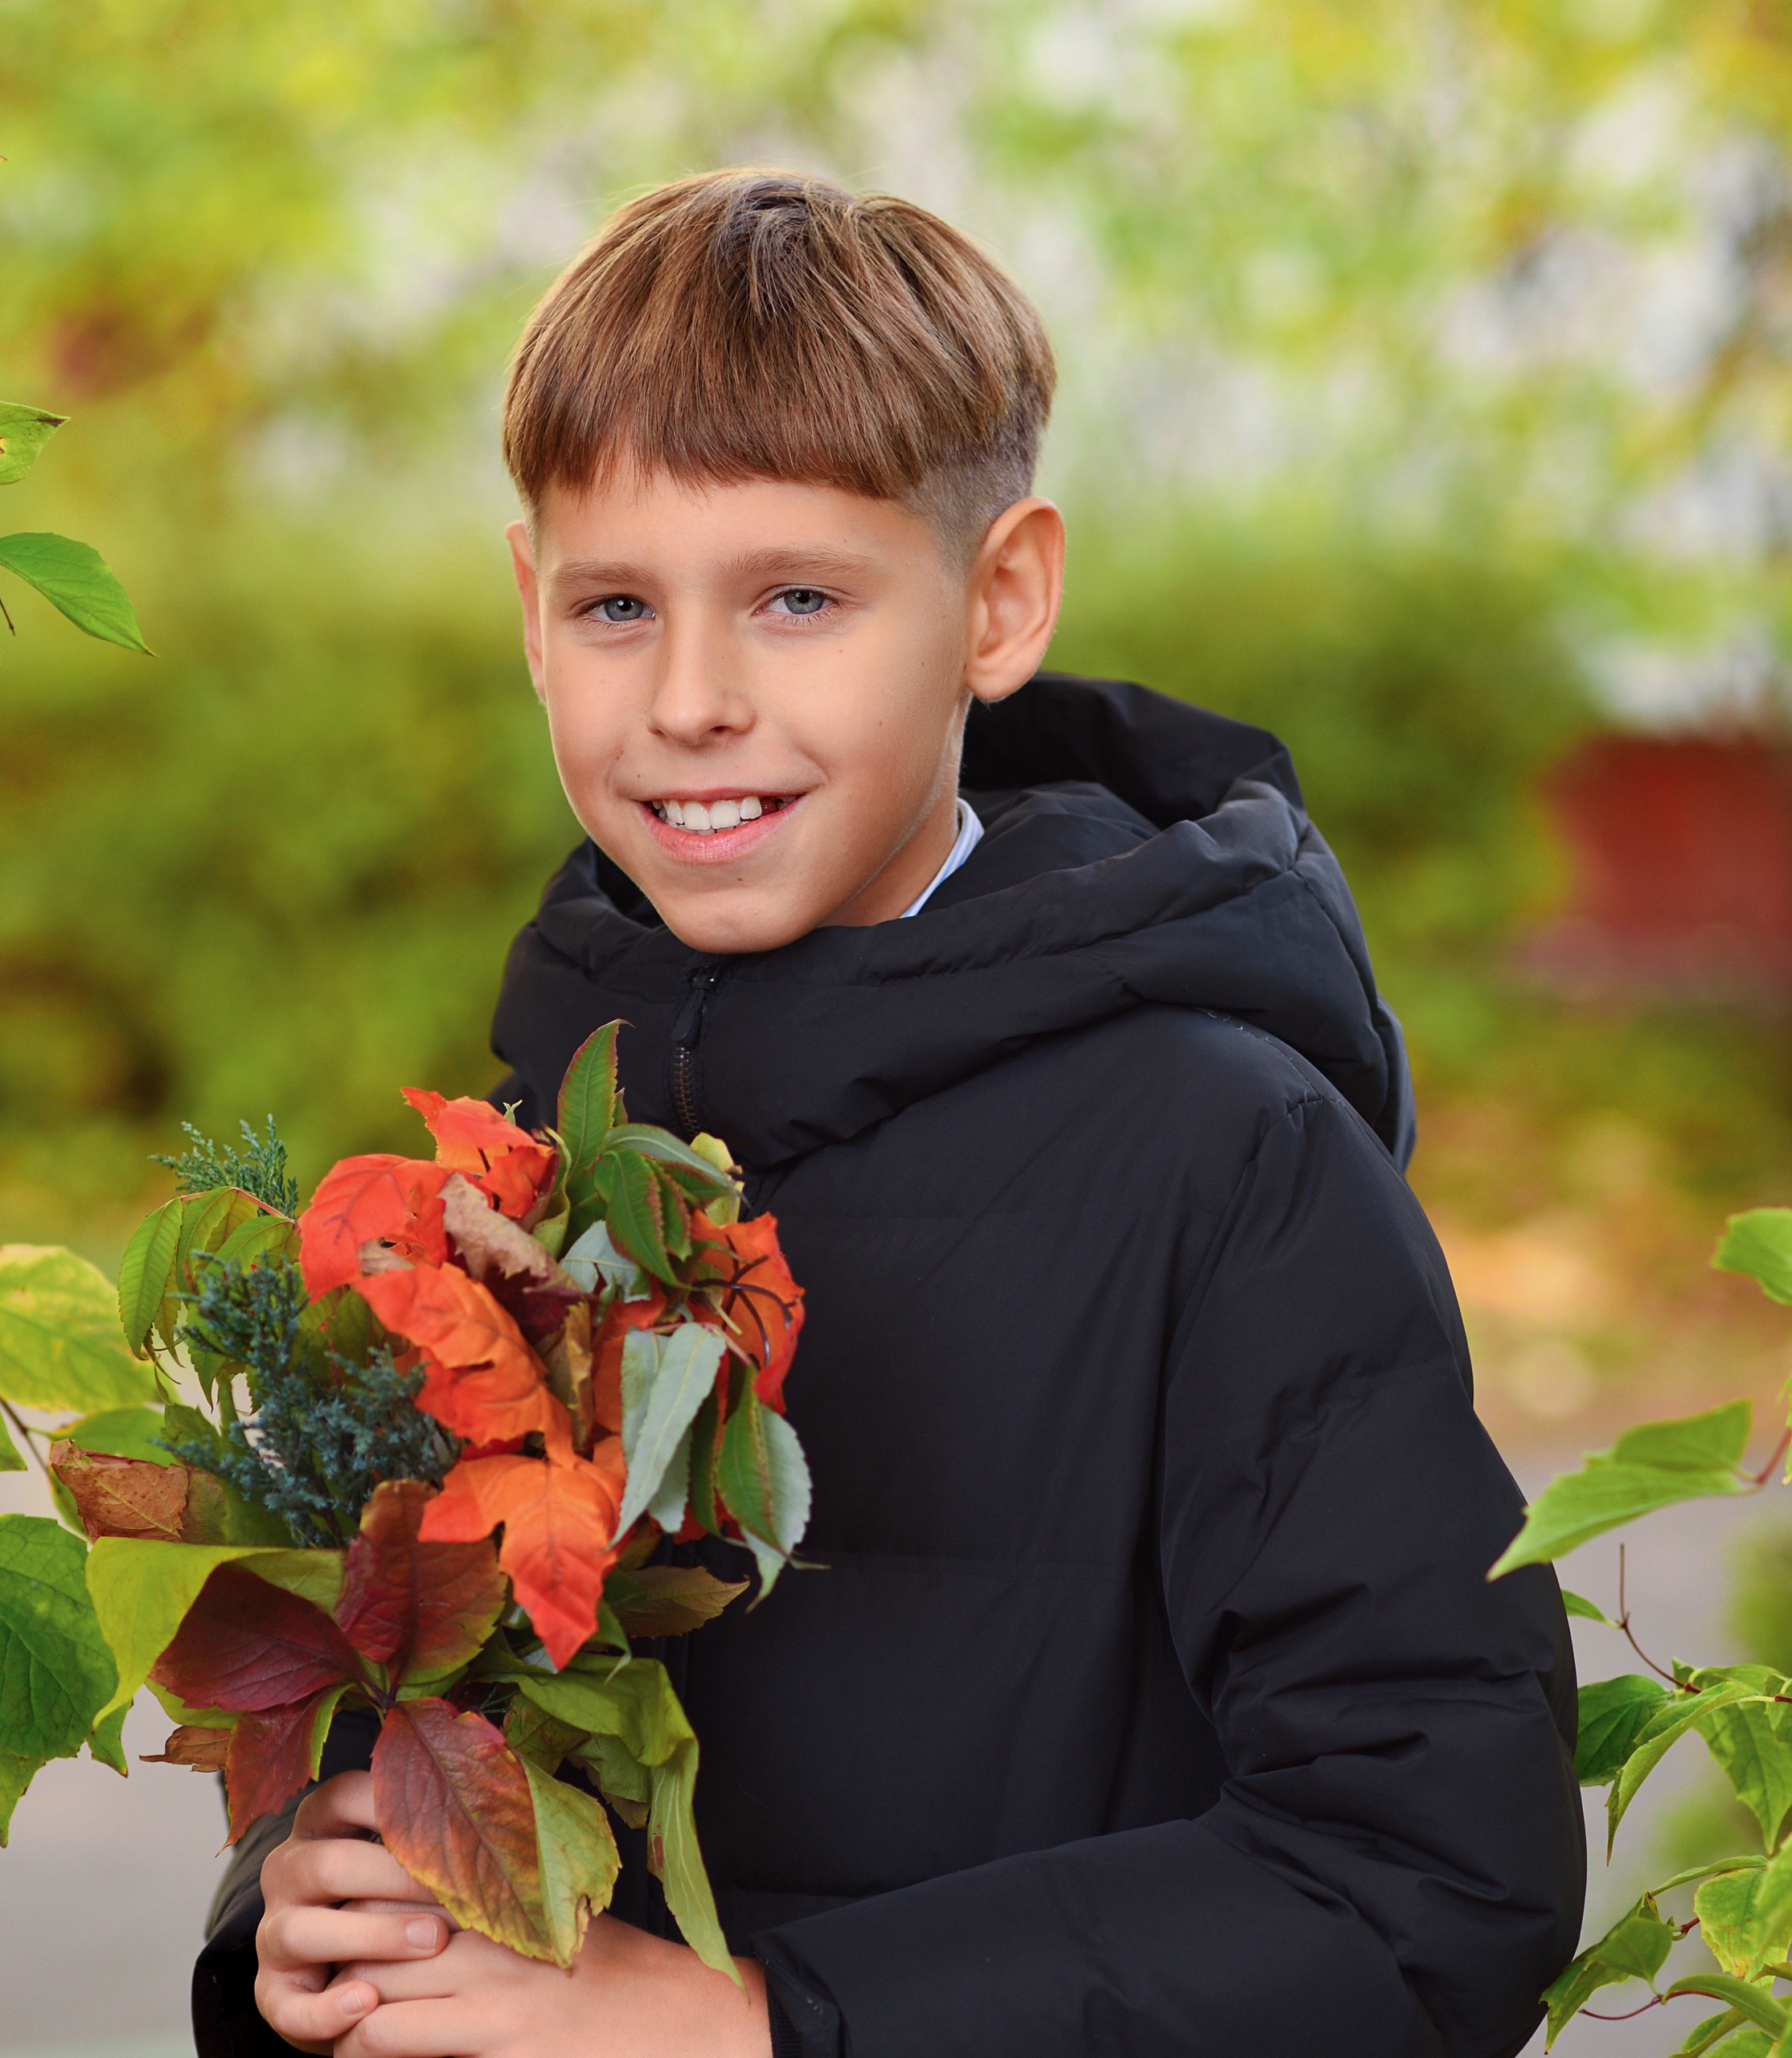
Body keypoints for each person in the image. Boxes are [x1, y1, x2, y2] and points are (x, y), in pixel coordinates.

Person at [194, 169, 1585, 2058]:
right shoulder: (538, 1133)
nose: (689, 697)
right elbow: (409, 1699)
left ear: (995, 597)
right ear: (529, 611)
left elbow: (1422, 1880)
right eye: (616, 602)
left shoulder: (1224, 1156)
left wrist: (764, 2023)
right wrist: (306, 1902)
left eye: (794, 597)